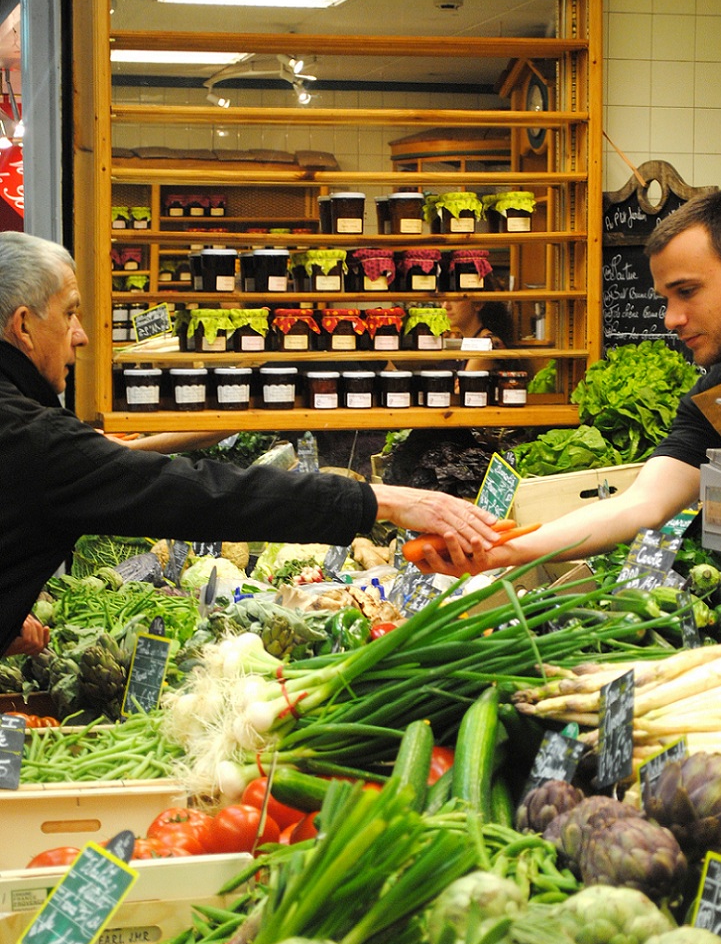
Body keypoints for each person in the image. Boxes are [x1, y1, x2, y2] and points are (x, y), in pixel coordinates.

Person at [0, 230, 499, 656]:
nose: (81, 335)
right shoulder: (29, 435)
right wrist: (380, 500)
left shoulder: (22, 420)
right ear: (23, 325)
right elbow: (197, 492)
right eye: (69, 314)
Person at [419, 190, 721, 577]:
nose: (671, 320)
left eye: (687, 291)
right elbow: (639, 505)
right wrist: (501, 551)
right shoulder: (713, 402)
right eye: (666, 299)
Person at [442, 297, 513, 373]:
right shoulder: (472, 340)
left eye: (455, 299)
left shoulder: (486, 345)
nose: (445, 306)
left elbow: (467, 383)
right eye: (442, 300)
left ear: (478, 304)